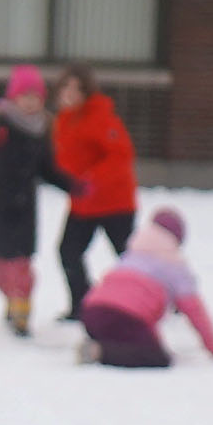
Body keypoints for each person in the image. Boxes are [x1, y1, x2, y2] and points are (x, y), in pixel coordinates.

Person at [72, 206, 213, 367]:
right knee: (155, 357)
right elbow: (194, 310)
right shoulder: (175, 266)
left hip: (92, 311)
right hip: (126, 316)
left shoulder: (131, 255)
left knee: (122, 334)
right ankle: (100, 352)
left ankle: (97, 344)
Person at [0, 64, 59, 333]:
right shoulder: (1, 125)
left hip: (23, 207)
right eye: (26, 96)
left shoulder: (42, 130)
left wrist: (72, 185)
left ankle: (22, 307)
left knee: (21, 262)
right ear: (13, 97)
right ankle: (11, 298)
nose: (31, 103)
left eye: (37, 97)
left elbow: (47, 168)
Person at [49, 65, 142, 294]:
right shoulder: (62, 120)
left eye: (77, 89)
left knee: (129, 255)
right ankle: (82, 303)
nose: (70, 93)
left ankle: (153, 295)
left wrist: (93, 180)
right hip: (83, 202)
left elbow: (121, 155)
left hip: (114, 202)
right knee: (69, 252)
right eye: (66, 87)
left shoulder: (100, 117)